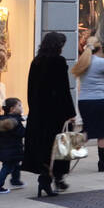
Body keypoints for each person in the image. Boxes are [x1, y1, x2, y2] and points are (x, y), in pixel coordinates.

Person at [23, 31, 77, 198]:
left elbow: (31, 89)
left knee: (45, 148)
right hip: (56, 113)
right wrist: (71, 112)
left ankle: (48, 178)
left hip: (39, 113)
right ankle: (53, 178)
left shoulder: (36, 61)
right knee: (61, 146)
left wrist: (34, 109)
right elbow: (63, 90)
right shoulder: (58, 62)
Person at [72, 35, 104, 173]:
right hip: (99, 101)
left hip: (84, 101)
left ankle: (66, 151)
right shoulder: (101, 62)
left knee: (88, 131)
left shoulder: (83, 61)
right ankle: (103, 163)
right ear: (100, 48)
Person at [0, 98, 26, 194]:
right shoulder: (14, 122)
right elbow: (22, 133)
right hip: (12, 149)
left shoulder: (1, 120)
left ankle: (15, 181)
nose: (21, 107)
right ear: (12, 109)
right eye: (19, 105)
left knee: (15, 164)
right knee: (8, 167)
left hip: (5, 149)